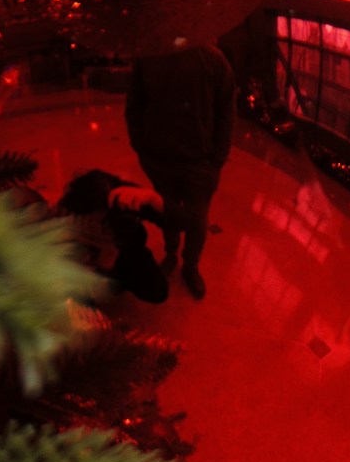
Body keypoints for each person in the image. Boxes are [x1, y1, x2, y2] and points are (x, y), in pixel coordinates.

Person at [125, 38, 235, 299]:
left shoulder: (214, 61)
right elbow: (135, 105)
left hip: (199, 163)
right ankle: (171, 251)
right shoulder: (149, 56)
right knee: (167, 211)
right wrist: (142, 146)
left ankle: (191, 264)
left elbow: (226, 113)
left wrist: (216, 157)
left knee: (196, 220)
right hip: (160, 159)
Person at [58, 169, 168, 304]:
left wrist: (111, 256)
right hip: (84, 266)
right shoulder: (64, 221)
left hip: (119, 255)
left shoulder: (122, 220)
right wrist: (102, 264)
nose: (99, 227)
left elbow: (138, 240)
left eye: (104, 221)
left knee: (157, 291)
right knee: (77, 298)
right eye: (92, 219)